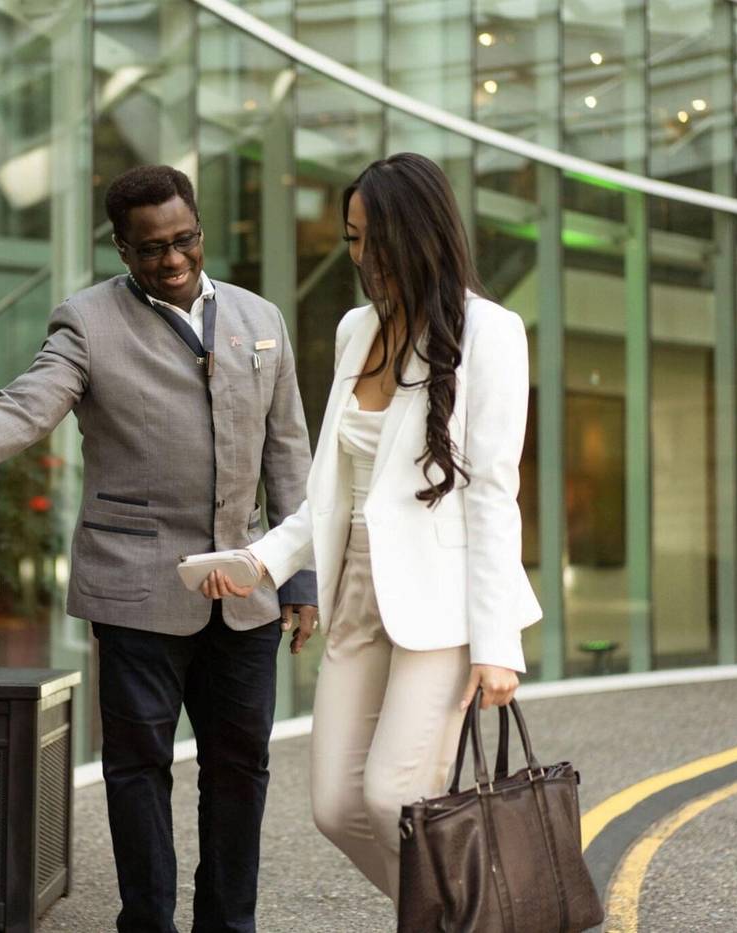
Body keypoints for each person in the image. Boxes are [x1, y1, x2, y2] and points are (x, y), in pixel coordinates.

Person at [0, 165, 318, 933]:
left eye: (183, 241)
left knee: (240, 769)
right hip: (136, 590)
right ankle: (146, 922)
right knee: (139, 771)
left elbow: (289, 457)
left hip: (245, 592)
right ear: (122, 249)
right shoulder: (86, 323)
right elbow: (26, 405)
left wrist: (299, 577)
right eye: (151, 250)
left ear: (200, 232)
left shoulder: (259, 318)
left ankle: (228, 924)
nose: (171, 260)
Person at [199, 152, 540, 907]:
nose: (360, 259)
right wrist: (260, 560)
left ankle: (474, 922)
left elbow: (492, 496)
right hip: (357, 593)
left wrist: (496, 646)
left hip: (443, 609)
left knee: (394, 799)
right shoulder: (356, 330)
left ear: (417, 235)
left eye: (372, 241)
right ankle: (476, 921)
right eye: (351, 240)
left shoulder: (492, 332)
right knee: (335, 805)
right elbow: (331, 492)